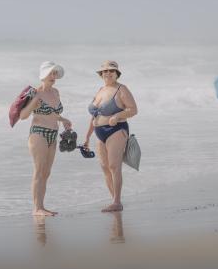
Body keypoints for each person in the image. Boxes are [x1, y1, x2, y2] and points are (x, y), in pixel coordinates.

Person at [19, 61, 72, 216]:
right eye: (51, 73)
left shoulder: (56, 92)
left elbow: (54, 114)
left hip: (53, 134)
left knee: (46, 172)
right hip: (38, 133)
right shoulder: (35, 93)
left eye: (55, 73)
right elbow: (23, 116)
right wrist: (34, 103)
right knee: (39, 170)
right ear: (43, 75)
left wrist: (64, 121)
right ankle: (36, 208)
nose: (53, 76)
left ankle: (41, 206)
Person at [83, 60, 138, 212]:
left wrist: (118, 115)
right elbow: (94, 116)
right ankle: (114, 200)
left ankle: (117, 202)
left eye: (111, 71)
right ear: (101, 74)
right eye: (105, 71)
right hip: (99, 132)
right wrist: (87, 137)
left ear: (116, 74)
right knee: (104, 167)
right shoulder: (100, 90)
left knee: (114, 165)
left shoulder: (122, 89)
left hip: (116, 130)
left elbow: (133, 109)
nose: (108, 73)